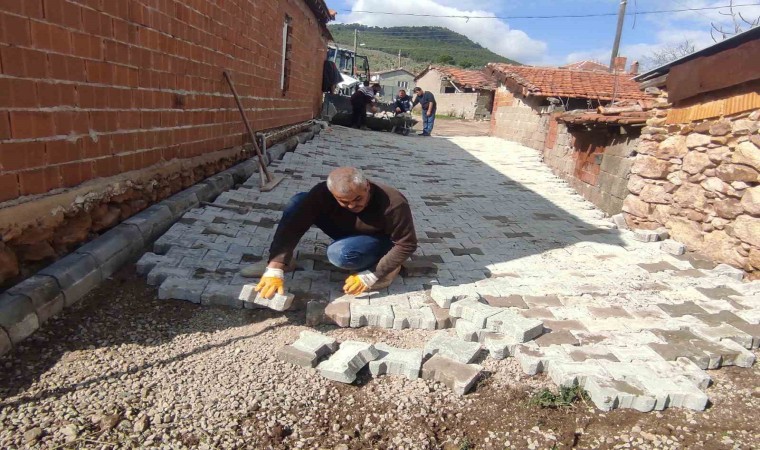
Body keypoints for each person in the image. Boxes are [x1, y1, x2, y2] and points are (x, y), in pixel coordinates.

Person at [245, 167, 418, 299]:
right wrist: (275, 266)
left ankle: (390, 267)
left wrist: (373, 274)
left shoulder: (393, 202)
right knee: (298, 202)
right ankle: (285, 262)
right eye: (343, 202)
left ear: (367, 186)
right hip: (347, 231)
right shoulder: (323, 193)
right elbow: (294, 224)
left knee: (340, 255)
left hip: (378, 239)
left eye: (358, 199)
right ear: (332, 194)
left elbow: (407, 243)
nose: (351, 206)